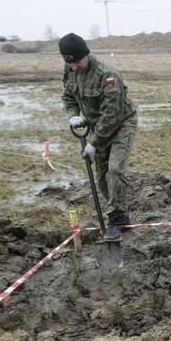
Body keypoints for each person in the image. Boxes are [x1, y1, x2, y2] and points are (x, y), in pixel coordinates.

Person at [59, 33, 138, 241]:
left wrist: (93, 142)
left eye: (77, 61)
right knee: (102, 178)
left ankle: (116, 218)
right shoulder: (70, 71)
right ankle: (122, 216)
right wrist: (73, 114)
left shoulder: (107, 75)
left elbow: (112, 116)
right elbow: (68, 95)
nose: (74, 67)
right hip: (96, 127)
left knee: (114, 170)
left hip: (121, 125)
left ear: (86, 54)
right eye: (70, 63)